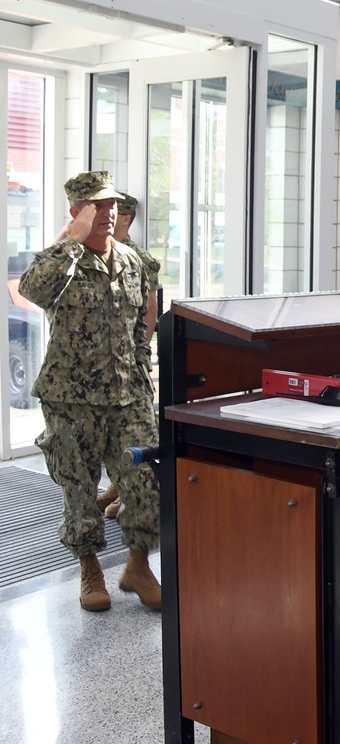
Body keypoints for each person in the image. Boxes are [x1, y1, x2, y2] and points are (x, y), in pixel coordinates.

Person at [20, 171, 163, 613]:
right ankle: (90, 570)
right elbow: (31, 289)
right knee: (79, 489)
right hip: (72, 399)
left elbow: (142, 321)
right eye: (98, 206)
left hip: (127, 396)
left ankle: (138, 567)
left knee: (144, 484)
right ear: (77, 211)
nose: (109, 212)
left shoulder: (132, 259)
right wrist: (71, 240)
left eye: (112, 204)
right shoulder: (61, 261)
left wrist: (141, 372)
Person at [96, 192, 161, 520]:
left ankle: (135, 497)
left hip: (128, 361)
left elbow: (150, 310)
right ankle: (118, 486)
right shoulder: (96, 253)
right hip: (98, 366)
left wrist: (140, 351)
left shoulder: (139, 258)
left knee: (136, 432)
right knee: (105, 432)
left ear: (125, 218)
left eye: (112, 213)